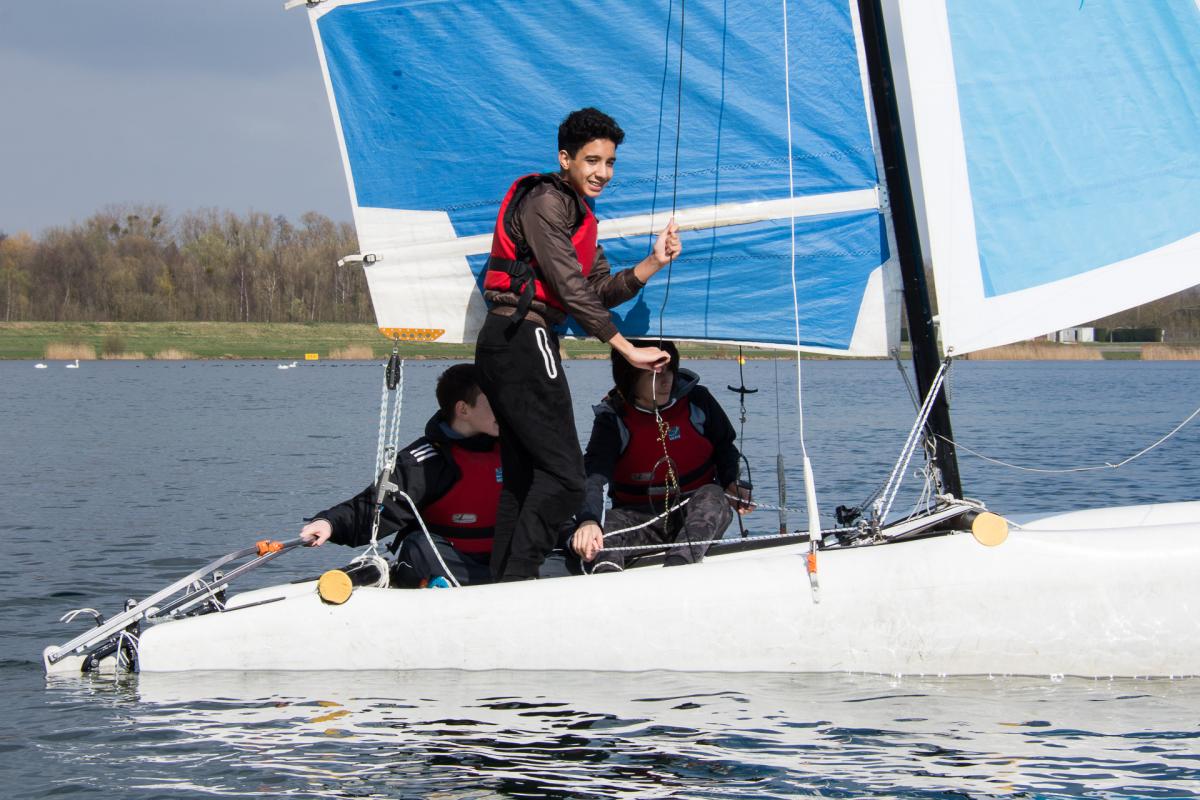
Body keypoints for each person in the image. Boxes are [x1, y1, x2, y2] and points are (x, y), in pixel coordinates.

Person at [475, 107, 680, 581]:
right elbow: (569, 289)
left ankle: (498, 590)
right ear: (565, 159)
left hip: (518, 342)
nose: (603, 172)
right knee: (567, 480)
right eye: (592, 161)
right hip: (520, 338)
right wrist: (626, 348)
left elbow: (598, 289)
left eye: (610, 163)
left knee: (525, 479)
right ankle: (516, 584)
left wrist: (652, 263)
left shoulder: (581, 215)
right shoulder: (545, 202)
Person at [299, 364, 501, 588]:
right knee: (418, 547)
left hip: (506, 562)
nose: (502, 405)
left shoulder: (515, 450)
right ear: (463, 409)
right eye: (492, 400)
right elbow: (376, 509)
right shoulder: (425, 462)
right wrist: (330, 523)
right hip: (450, 561)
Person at [570, 340, 753, 572]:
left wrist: (731, 481)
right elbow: (595, 475)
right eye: (654, 375)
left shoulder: (698, 401)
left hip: (696, 513)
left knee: (713, 496)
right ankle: (608, 575)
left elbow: (724, 447)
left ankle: (677, 566)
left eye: (670, 371)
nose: (667, 381)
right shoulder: (613, 418)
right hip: (640, 517)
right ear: (630, 379)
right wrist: (589, 520)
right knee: (606, 526)